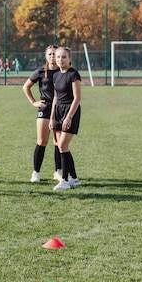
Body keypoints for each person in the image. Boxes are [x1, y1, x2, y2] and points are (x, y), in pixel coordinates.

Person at [22, 45, 62, 183]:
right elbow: (26, 86)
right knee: (42, 141)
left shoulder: (63, 71)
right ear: (46, 56)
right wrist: (34, 102)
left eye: (55, 54)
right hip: (45, 109)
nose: (52, 56)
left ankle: (59, 171)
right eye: (50, 54)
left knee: (58, 142)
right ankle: (36, 172)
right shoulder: (41, 71)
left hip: (60, 109)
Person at [49, 46, 82, 191]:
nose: (60, 59)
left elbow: (77, 98)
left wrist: (69, 117)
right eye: (58, 57)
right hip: (57, 111)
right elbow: (55, 97)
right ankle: (74, 178)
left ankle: (64, 180)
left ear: (69, 59)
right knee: (61, 146)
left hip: (70, 111)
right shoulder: (56, 75)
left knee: (62, 146)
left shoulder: (73, 74)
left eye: (63, 57)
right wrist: (51, 118)